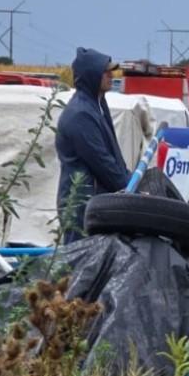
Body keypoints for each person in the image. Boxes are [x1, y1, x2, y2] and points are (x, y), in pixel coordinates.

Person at [55, 47, 132, 243]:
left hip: (95, 201)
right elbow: (102, 162)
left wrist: (130, 181)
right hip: (81, 204)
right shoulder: (80, 115)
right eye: (105, 71)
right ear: (92, 75)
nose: (111, 75)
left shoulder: (97, 105)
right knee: (78, 261)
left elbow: (113, 153)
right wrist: (131, 192)